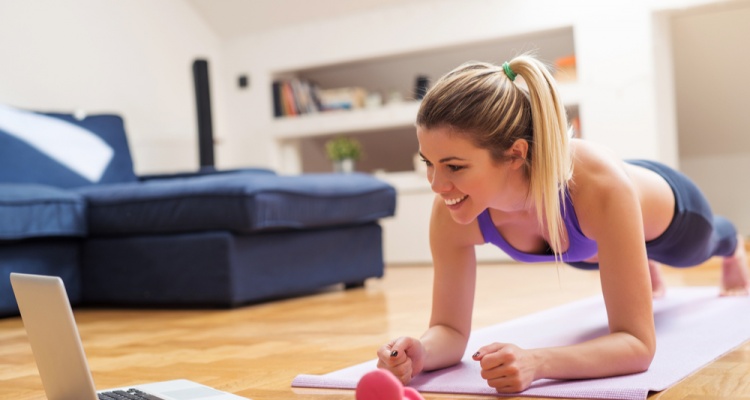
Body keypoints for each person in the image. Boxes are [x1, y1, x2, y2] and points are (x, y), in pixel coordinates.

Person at [376, 55, 750, 393]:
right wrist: (420, 350)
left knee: (706, 247)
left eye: (454, 166)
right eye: (428, 162)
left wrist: (538, 362)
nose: (436, 185)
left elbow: (637, 345)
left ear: (515, 154)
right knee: (593, 252)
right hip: (584, 242)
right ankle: (637, 263)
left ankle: (731, 247)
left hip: (673, 216)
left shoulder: (599, 188)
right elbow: (452, 331)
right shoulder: (453, 211)